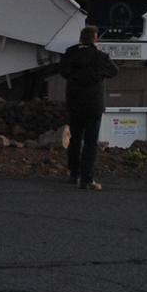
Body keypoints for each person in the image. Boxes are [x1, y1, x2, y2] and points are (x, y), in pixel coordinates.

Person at [59, 25, 119, 189]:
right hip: (93, 103)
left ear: (80, 38)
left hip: (74, 102)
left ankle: (74, 174)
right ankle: (87, 179)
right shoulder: (100, 56)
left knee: (75, 139)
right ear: (95, 39)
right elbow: (114, 71)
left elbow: (63, 72)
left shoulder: (70, 54)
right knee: (91, 142)